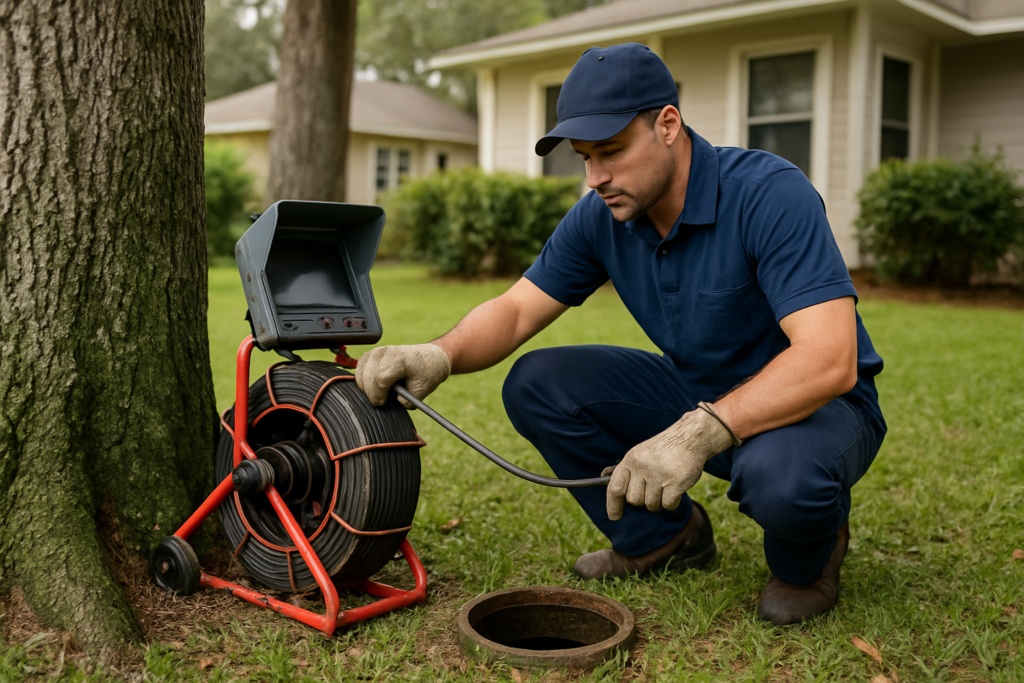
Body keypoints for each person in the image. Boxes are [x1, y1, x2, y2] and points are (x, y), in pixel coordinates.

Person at [355, 43, 885, 625]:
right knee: (538, 382)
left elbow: (830, 359)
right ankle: (664, 537)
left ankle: (810, 557)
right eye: (584, 157)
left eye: (610, 151)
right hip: (696, 392)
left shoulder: (768, 194)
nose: (595, 177)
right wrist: (440, 352)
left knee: (782, 479)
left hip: (820, 407)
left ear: (667, 124)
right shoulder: (604, 214)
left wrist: (696, 434)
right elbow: (515, 311)